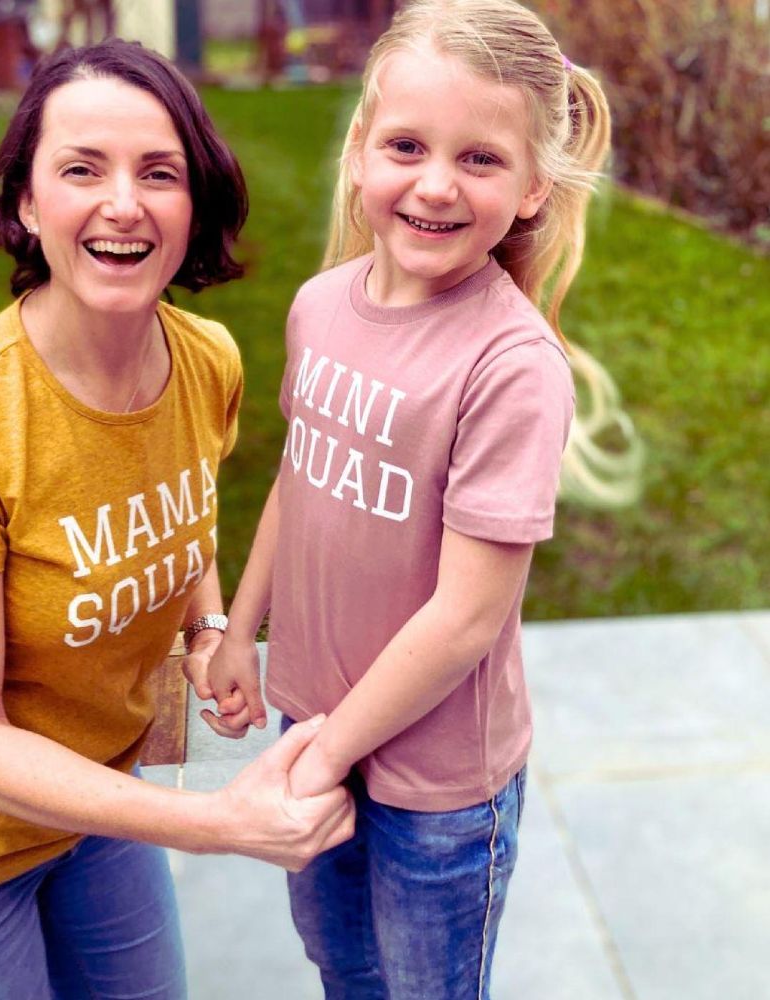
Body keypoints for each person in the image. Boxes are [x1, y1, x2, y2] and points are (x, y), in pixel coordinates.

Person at [0, 39, 354, 1000]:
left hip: (93, 809)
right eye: (81, 169)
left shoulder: (205, 361)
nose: (124, 204)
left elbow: (180, 514)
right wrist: (221, 822)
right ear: (27, 202)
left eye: (160, 173)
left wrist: (207, 626)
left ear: (197, 205)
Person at [204, 1, 639, 997]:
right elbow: (297, 479)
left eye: (480, 160)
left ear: (532, 188)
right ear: (359, 152)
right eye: (405, 144)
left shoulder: (510, 364)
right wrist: (239, 632)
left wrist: (325, 759)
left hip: (436, 784)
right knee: (340, 965)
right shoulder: (320, 306)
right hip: (311, 722)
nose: (434, 185)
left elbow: (464, 618)